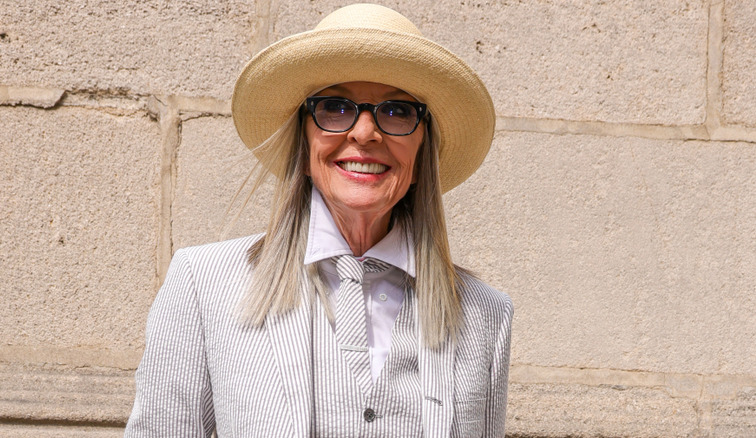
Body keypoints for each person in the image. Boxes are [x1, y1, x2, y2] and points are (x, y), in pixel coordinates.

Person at [125, 3, 513, 437]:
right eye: (335, 106)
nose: (365, 133)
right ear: (304, 145)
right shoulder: (205, 284)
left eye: (398, 112)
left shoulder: (485, 315)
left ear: (423, 156)